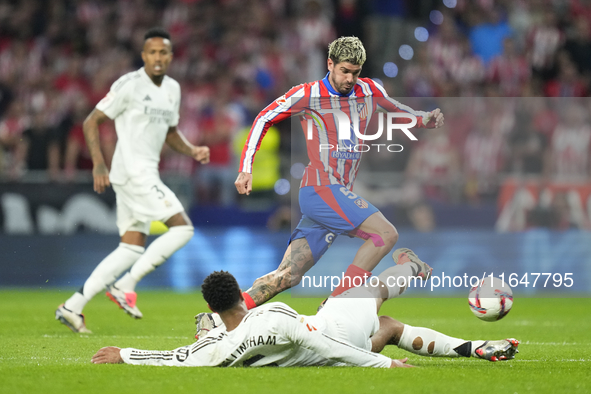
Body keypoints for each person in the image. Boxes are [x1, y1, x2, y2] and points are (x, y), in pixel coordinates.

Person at [231, 36, 444, 312]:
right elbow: (264, 118)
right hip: (320, 189)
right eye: (344, 71)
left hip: (337, 195)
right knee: (385, 235)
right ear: (329, 64)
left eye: (355, 73)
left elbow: (396, 109)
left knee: (288, 275)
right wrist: (245, 168)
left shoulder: (369, 90)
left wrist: (422, 119)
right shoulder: (307, 94)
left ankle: (221, 317)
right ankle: (334, 307)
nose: (350, 79)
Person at [91, 256, 519, 367]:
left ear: (210, 309)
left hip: (334, 340)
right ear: (243, 294)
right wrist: (383, 368)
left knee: (387, 326)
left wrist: (126, 354)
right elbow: (328, 346)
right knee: (370, 288)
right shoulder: (268, 315)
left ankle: (474, 349)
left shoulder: (219, 347)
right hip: (335, 334)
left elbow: (178, 358)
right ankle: (413, 266)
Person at [55, 27, 210, 333]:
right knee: (183, 228)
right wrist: (98, 164)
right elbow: (91, 121)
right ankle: (126, 284)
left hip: (141, 172)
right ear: (143, 55)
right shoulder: (128, 84)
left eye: (163, 52)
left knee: (131, 247)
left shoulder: (173, 90)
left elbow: (169, 132)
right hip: (133, 172)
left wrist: (191, 149)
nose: (157, 57)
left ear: (170, 56)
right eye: (152, 52)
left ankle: (73, 306)